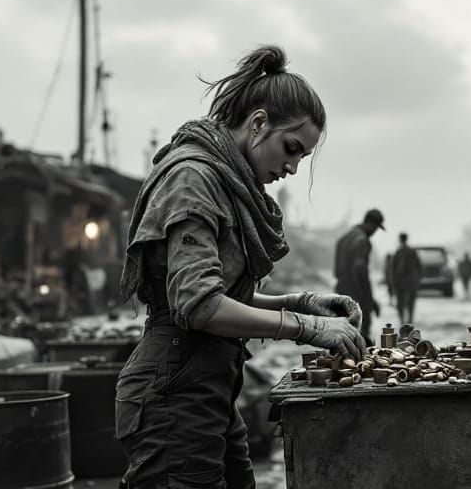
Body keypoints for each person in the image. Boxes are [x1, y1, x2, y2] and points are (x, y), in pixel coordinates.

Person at [115, 45, 366, 489]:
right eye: (291, 149)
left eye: (302, 158)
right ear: (258, 123)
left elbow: (224, 296)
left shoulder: (223, 180)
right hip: (173, 394)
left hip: (208, 388)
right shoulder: (194, 178)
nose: (292, 167)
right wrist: (305, 327)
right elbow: (199, 304)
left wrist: (302, 301)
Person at [334, 208, 385, 345]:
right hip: (357, 297)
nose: (374, 232)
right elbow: (360, 272)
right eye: (376, 228)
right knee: (361, 340)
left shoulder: (344, 239)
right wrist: (369, 300)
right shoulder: (362, 241)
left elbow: (337, 272)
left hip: (341, 294)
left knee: (343, 337)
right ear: (371, 224)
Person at [391, 232, 422, 325]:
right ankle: (410, 319)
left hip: (400, 281)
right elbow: (419, 266)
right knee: (411, 301)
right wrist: (418, 278)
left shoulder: (397, 252)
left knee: (400, 302)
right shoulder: (412, 251)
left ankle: (402, 320)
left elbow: (393, 268)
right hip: (411, 281)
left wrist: (393, 281)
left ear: (400, 239)